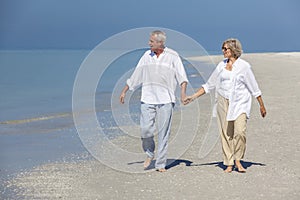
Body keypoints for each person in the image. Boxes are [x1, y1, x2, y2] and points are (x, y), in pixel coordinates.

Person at [184, 38, 266, 173]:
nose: (223, 51)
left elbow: (254, 87)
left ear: (233, 50)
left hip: (240, 103)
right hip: (222, 101)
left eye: (225, 48)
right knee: (226, 134)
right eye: (223, 48)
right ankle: (229, 162)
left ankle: (238, 160)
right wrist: (192, 97)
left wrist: (261, 105)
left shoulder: (244, 67)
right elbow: (209, 85)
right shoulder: (221, 65)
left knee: (240, 132)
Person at [119, 30, 188, 172]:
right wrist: (125, 90)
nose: (149, 43)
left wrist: (182, 94)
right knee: (145, 130)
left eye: (151, 41)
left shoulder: (173, 56)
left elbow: (182, 77)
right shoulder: (146, 56)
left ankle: (161, 164)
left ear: (160, 42)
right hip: (148, 98)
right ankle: (149, 153)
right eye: (150, 41)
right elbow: (137, 74)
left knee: (164, 132)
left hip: (166, 99)